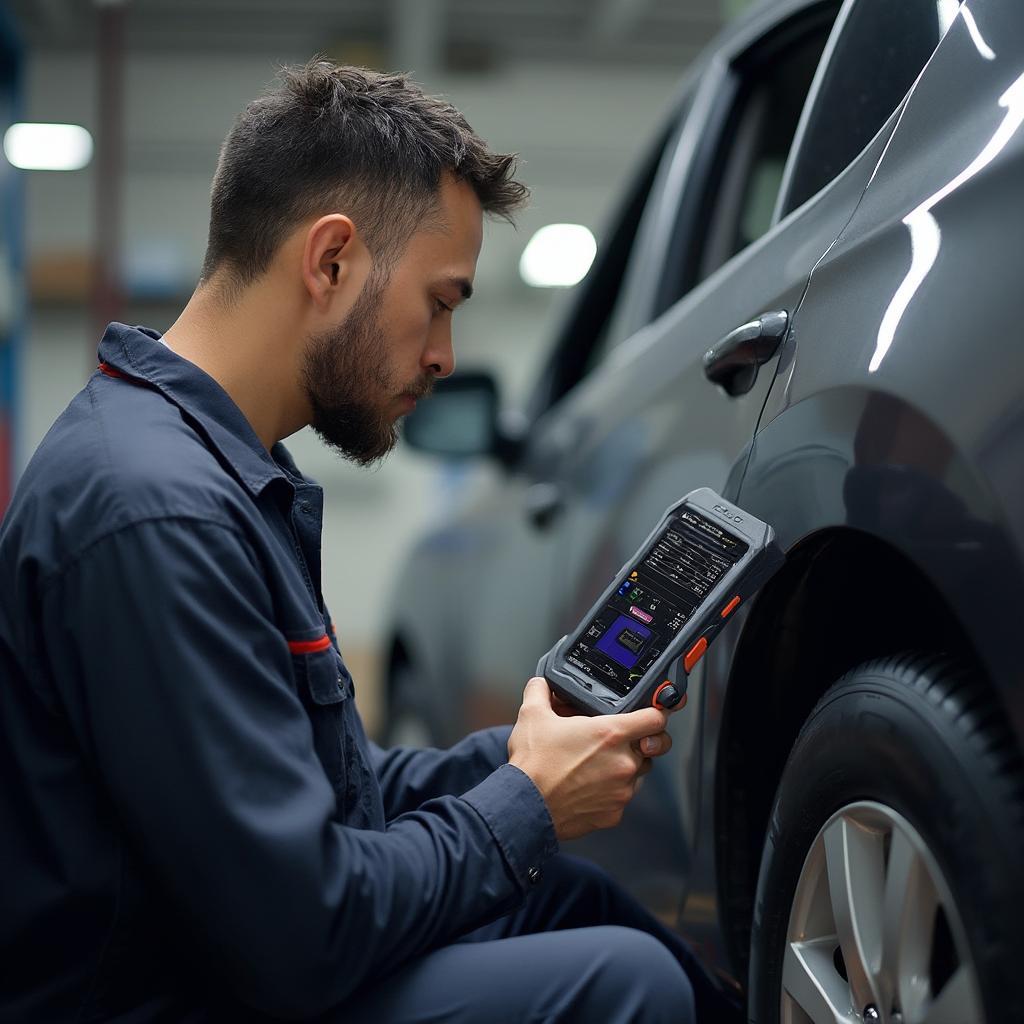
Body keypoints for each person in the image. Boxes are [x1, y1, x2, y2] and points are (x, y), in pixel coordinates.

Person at [0, 62, 742, 1023]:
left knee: (574, 897)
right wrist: (526, 807)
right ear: (332, 260)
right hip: (174, 995)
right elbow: (301, 933)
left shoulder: (216, 473)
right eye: (440, 302)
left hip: (233, 947)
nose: (443, 356)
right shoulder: (156, 511)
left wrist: (517, 759)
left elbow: (315, 787)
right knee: (620, 984)